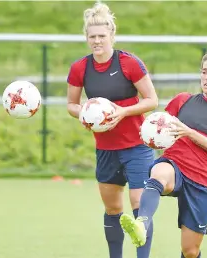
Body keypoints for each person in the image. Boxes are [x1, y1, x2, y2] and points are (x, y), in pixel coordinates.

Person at [120, 46, 207, 258]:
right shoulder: (183, 100)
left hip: (202, 180)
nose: (206, 77)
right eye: (204, 71)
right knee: (158, 172)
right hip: (174, 165)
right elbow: (160, 130)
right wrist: (150, 137)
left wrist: (189, 132)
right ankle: (142, 223)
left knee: (190, 251)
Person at [66, 3, 158, 258]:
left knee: (139, 206)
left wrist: (121, 112)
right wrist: (84, 113)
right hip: (106, 149)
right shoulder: (80, 68)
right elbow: (71, 105)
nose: (97, 41)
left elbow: (151, 100)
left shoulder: (129, 63)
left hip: (137, 146)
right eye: (92, 36)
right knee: (113, 209)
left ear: (111, 36)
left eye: (101, 36)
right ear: (86, 37)